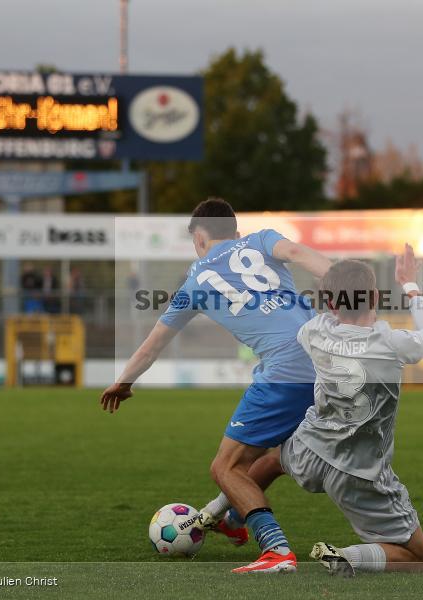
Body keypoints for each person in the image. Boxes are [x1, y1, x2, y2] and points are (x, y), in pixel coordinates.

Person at [99, 198, 332, 574]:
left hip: (285, 370)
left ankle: (276, 551)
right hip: (328, 357)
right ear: (236, 233)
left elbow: (152, 345)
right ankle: (233, 518)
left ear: (199, 238)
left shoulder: (194, 283)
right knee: (274, 456)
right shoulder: (261, 240)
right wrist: (347, 289)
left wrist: (123, 383)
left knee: (225, 467)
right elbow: (296, 252)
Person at [245, 244, 423, 576]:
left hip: (309, 451)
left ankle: (224, 508)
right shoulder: (392, 345)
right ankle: (348, 556)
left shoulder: (314, 332)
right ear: (376, 298)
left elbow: (316, 314)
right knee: (416, 556)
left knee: (273, 460)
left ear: (331, 304)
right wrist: (409, 283)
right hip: (357, 471)